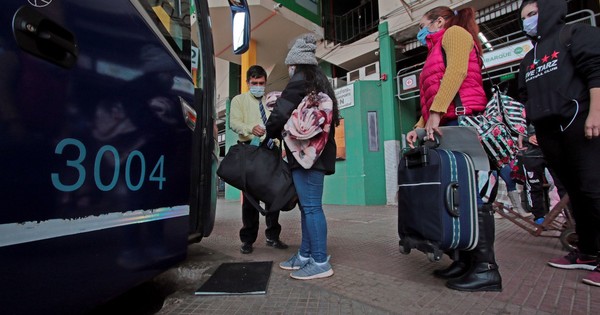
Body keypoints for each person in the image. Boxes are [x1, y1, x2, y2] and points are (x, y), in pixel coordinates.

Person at [405, 6, 502, 292]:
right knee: (456, 196)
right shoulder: (434, 49)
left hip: (461, 122)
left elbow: (457, 71)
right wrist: (420, 125)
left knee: (475, 195)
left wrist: (435, 114)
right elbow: (434, 93)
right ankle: (465, 260)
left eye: (423, 25)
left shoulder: (455, 34)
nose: (420, 32)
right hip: (446, 122)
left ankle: (486, 269)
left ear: (439, 21)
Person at [518, 0, 600, 287]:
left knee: (594, 189)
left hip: (581, 123)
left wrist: (596, 111)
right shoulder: (529, 58)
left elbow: (596, 71)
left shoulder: (576, 35)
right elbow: (523, 93)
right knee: (575, 193)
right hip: (549, 132)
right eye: (524, 17)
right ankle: (588, 251)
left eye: (533, 14)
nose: (528, 21)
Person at [265, 34, 340, 280]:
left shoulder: (299, 81)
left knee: (311, 208)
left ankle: (320, 261)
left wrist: (270, 131)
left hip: (307, 156)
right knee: (308, 209)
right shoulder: (319, 83)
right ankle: (306, 254)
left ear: (295, 64)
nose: (289, 69)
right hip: (316, 154)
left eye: (290, 65)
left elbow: (281, 111)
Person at [229, 65, 288, 254]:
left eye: (261, 83)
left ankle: (273, 236)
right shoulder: (239, 100)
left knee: (274, 196)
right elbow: (233, 123)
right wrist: (250, 128)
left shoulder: (271, 102)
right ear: (247, 83)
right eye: (254, 83)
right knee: (250, 200)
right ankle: (247, 240)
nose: (258, 86)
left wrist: (282, 147)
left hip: (270, 151)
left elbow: (280, 125)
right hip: (250, 151)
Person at [517, 124, 565, 224]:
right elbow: (514, 128)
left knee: (563, 186)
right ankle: (538, 216)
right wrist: (527, 137)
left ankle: (570, 217)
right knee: (534, 186)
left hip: (553, 151)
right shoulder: (523, 111)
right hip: (530, 154)